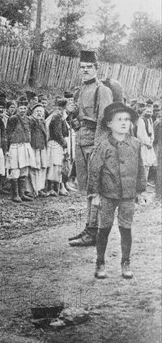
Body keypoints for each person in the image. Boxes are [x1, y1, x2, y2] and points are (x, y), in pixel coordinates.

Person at [88, 103, 146, 279]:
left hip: (128, 195)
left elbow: (140, 168)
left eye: (127, 120)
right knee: (103, 229)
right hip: (107, 194)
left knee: (126, 228)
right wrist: (95, 194)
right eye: (119, 120)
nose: (123, 123)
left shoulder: (135, 144)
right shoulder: (103, 145)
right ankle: (100, 263)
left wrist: (140, 191)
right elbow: (94, 170)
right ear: (109, 124)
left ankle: (125, 263)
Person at [68, 50, 114, 247]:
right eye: (83, 67)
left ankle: (94, 232)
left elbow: (104, 121)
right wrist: (71, 114)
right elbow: (76, 123)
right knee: (88, 189)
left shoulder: (102, 90)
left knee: (97, 190)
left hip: (94, 144)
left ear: (97, 68)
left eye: (89, 67)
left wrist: (98, 148)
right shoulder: (80, 91)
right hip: (81, 142)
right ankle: (89, 227)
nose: (85, 70)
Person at [6, 99, 35, 202]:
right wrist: (8, 147)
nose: (23, 110)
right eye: (21, 108)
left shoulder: (29, 120)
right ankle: (15, 194)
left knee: (24, 169)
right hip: (15, 146)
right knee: (15, 168)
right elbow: (8, 133)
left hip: (25, 145)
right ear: (17, 109)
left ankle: (22, 193)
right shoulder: (13, 119)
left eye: (24, 108)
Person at [45, 98, 70, 196]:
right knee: (54, 165)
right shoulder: (57, 116)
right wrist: (64, 143)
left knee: (58, 165)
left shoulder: (60, 115)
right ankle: (51, 188)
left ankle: (57, 187)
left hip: (57, 143)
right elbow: (57, 133)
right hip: (55, 144)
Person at [29, 102, 49, 198]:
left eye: (41, 112)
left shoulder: (43, 121)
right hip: (33, 147)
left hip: (42, 147)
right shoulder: (31, 121)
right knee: (34, 168)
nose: (39, 113)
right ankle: (33, 189)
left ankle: (40, 188)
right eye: (37, 111)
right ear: (33, 112)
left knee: (42, 168)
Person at [135, 104, 157, 185]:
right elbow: (140, 134)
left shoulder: (150, 120)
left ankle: (146, 180)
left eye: (150, 111)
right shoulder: (141, 120)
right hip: (143, 145)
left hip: (149, 145)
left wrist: (151, 141)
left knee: (148, 164)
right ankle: (142, 181)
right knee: (143, 164)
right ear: (144, 111)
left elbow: (152, 133)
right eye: (147, 111)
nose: (149, 113)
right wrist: (147, 143)